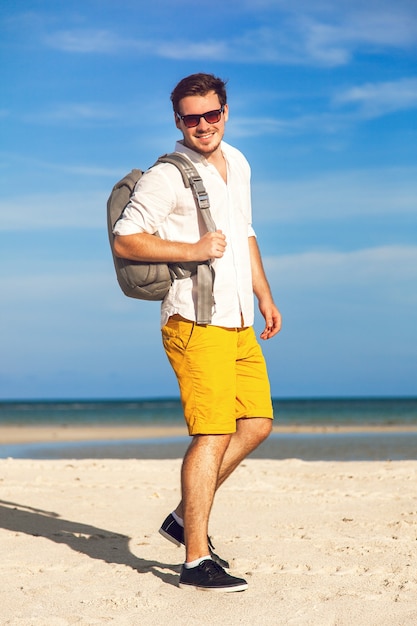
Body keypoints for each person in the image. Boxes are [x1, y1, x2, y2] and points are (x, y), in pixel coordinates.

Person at [113, 73, 282, 592]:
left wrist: (265, 293)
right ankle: (194, 561)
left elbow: (245, 232)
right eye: (191, 117)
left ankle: (184, 517)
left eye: (211, 114)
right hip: (193, 319)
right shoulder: (167, 176)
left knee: (255, 424)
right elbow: (126, 239)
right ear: (178, 121)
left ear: (225, 112)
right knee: (212, 431)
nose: (203, 125)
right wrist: (192, 250)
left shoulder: (240, 163)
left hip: (238, 322)